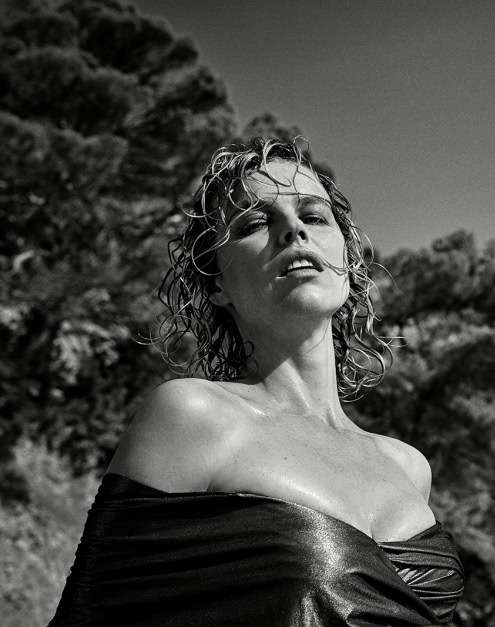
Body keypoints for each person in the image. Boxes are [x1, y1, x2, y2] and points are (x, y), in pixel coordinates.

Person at [51, 139, 464, 626]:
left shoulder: (410, 466)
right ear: (217, 284)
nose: (293, 230)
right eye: (252, 223)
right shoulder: (193, 417)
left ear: (350, 265)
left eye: (314, 216)